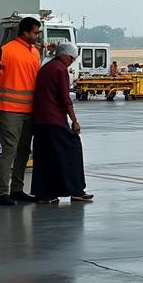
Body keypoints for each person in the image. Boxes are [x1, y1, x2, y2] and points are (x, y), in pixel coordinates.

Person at [0, 15, 42, 206]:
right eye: (35, 33)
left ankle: (17, 189)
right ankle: (2, 193)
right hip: (9, 109)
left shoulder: (35, 52)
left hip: (29, 110)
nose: (37, 36)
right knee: (9, 150)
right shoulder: (5, 50)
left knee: (24, 151)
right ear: (25, 32)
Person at [31, 41, 93, 204]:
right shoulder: (60, 70)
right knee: (72, 148)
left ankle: (44, 193)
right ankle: (76, 189)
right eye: (71, 58)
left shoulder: (45, 68)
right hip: (54, 119)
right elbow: (65, 99)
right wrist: (74, 120)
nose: (72, 61)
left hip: (39, 120)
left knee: (46, 156)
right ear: (64, 55)